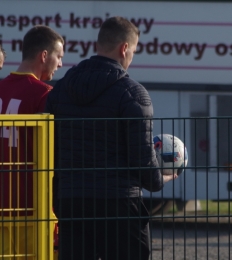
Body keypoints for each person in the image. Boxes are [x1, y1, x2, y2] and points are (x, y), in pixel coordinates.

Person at [45, 16, 177, 260]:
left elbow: (50, 148)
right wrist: (161, 179)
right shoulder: (133, 93)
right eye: (134, 51)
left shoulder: (61, 89)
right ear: (124, 48)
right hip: (118, 203)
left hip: (71, 200)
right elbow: (142, 158)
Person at [0, 25, 64, 258]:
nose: (60, 64)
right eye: (59, 57)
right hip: (32, 206)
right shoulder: (44, 94)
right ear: (44, 56)